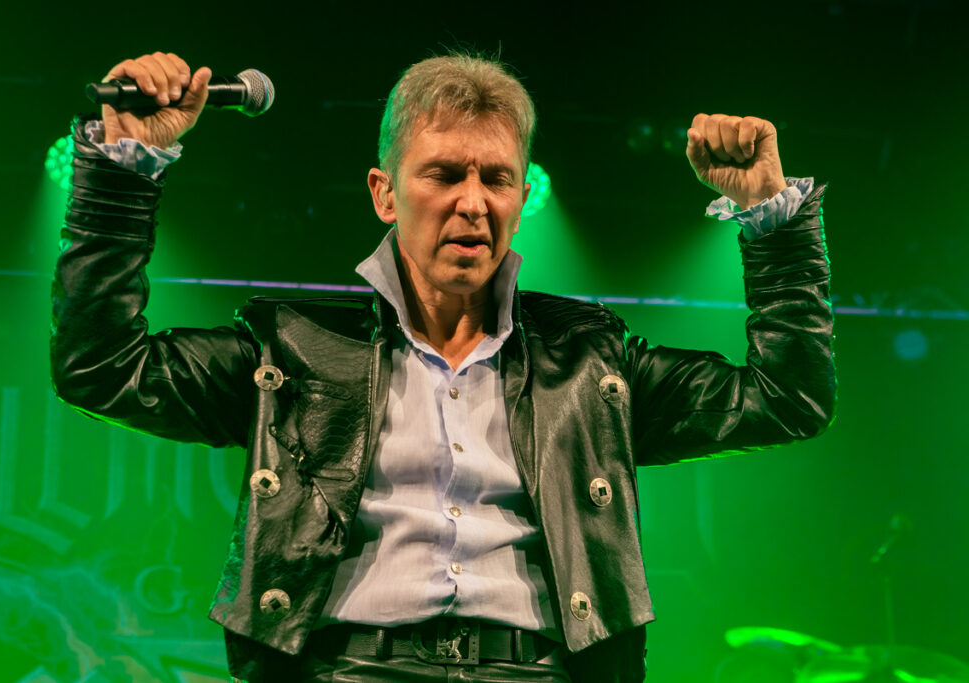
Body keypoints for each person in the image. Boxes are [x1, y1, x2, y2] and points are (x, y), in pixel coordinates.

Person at [51, 50, 835, 682]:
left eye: (497, 178)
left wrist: (768, 216)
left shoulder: (589, 361)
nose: (473, 200)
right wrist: (124, 168)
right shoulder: (289, 350)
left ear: (520, 198)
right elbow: (102, 366)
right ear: (385, 193)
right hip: (343, 667)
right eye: (445, 173)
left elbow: (786, 397)